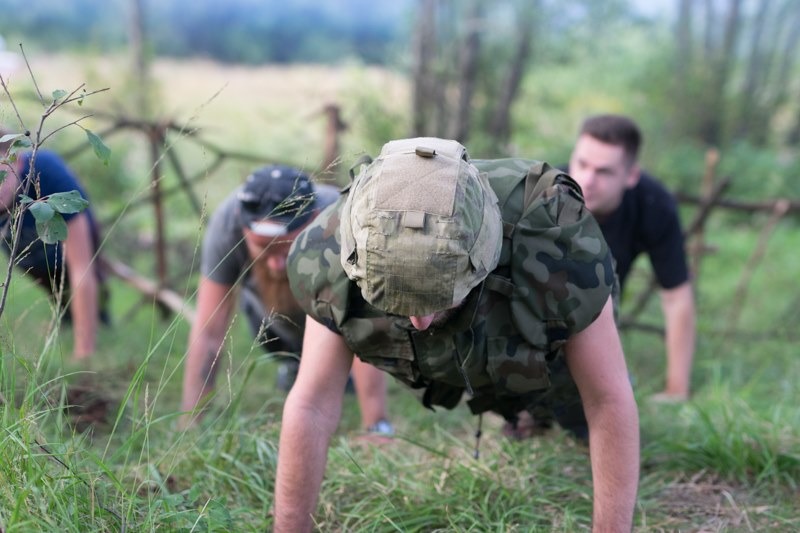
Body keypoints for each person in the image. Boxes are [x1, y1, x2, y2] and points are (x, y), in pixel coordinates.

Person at [275, 138, 640, 532]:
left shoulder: (557, 243)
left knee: (576, 415)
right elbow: (312, 404)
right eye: (394, 300)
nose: (419, 322)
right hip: (447, 358)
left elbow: (606, 399)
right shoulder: (331, 250)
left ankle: (534, 413)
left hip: (541, 349)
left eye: (439, 298)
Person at [179, 164, 390, 432]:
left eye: (286, 248)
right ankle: (295, 361)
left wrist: (376, 425)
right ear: (241, 225)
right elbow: (208, 331)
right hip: (267, 315)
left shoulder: (343, 220)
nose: (276, 264)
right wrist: (190, 422)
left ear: (315, 219)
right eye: (263, 248)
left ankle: (339, 366)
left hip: (333, 306)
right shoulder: (226, 224)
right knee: (265, 305)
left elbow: (364, 322)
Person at [568, 114, 697, 401]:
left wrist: (676, 390)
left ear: (631, 176)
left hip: (603, 310)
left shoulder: (655, 205)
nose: (587, 180)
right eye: (582, 164)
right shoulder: (546, 193)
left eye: (604, 172)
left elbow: (676, 297)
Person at [0, 131, 109, 361]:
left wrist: (84, 352)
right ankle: (65, 315)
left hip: (69, 245)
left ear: (16, 162)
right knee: (56, 294)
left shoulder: (47, 171)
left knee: (88, 290)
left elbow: (81, 266)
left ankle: (96, 319)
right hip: (33, 257)